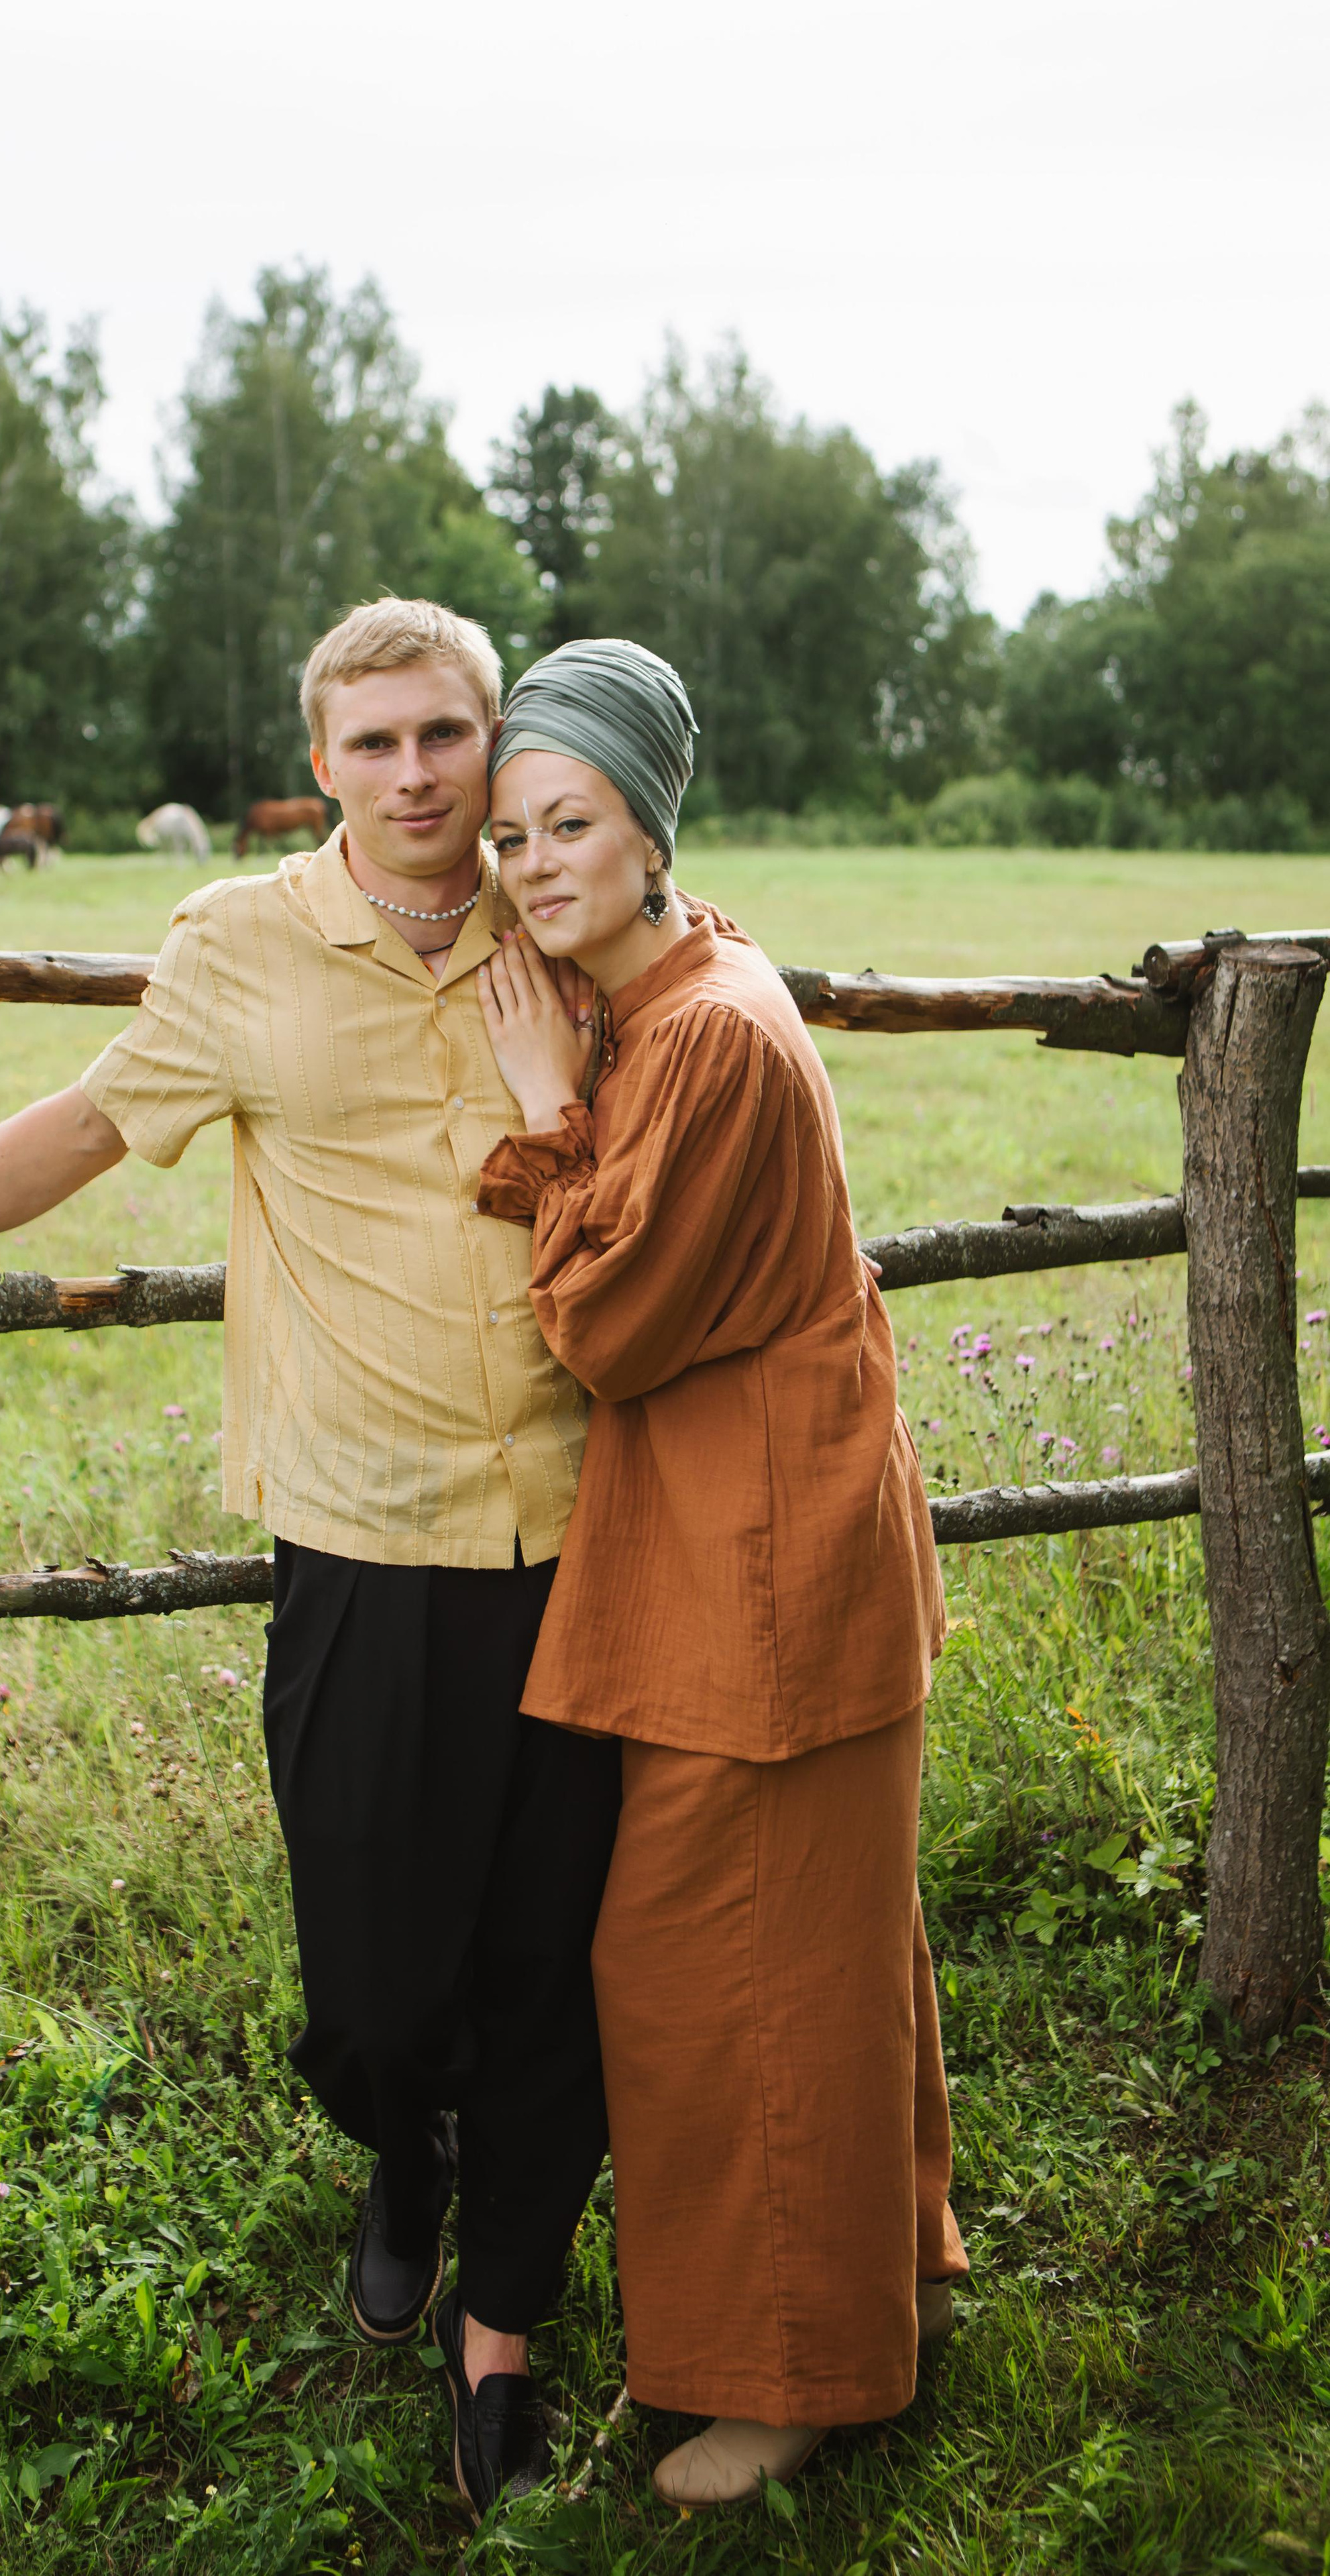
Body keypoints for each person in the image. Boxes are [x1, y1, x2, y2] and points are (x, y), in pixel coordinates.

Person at [0, 600, 622, 2518]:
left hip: (589, 1520)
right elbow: (89, 1125)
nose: (416, 777)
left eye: (445, 735)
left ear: (492, 735)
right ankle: (403, 2153)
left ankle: (506, 2330)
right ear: (321, 763)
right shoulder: (243, 949)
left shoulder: (576, 915)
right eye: (371, 744)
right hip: (366, 1528)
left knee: (559, 1963)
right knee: (375, 1993)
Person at [472, 637, 968, 2510]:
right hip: (771, 1540)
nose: (533, 864)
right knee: (822, 1946)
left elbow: (607, 1318)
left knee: (711, 1964)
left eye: (570, 821)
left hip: (761, 1567)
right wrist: (586, 1057)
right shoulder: (682, 987)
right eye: (515, 832)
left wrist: (542, 1105)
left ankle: (789, 2383)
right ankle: (884, 2286)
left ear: (650, 821)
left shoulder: (706, 1031)